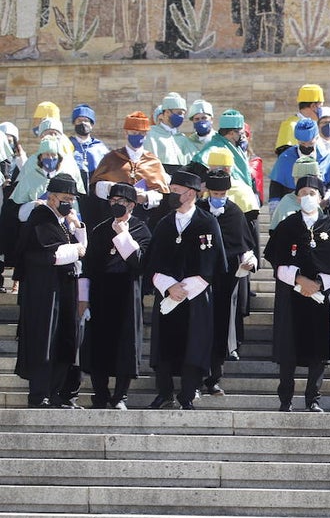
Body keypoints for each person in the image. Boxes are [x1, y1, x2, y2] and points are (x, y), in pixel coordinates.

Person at [264, 175, 330, 412]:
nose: (307, 198)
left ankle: (313, 399)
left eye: (312, 193)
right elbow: (276, 262)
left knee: (318, 349)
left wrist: (319, 284)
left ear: (321, 198)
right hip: (291, 296)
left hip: (320, 298)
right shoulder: (287, 226)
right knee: (288, 348)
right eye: (302, 193)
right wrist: (300, 280)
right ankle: (285, 399)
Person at [143, 170, 226, 410]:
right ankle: (165, 392)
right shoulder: (164, 223)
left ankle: (188, 393)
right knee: (165, 345)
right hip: (168, 295)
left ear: (190, 193)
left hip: (196, 297)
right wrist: (169, 286)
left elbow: (213, 264)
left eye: (176, 191)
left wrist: (185, 289)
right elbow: (151, 262)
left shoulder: (207, 222)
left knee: (194, 344)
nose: (171, 195)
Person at [14, 173, 85, 408]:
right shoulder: (41, 218)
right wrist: (76, 249)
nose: (69, 203)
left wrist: (77, 228)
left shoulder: (61, 223)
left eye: (72, 199)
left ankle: (55, 392)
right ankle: (40, 394)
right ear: (51, 198)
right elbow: (52, 254)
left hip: (62, 289)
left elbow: (81, 251)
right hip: (43, 291)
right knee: (44, 341)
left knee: (64, 340)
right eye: (65, 198)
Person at [79, 183, 152, 409]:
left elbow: (140, 262)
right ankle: (100, 395)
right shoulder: (100, 229)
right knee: (98, 346)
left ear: (131, 205)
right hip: (101, 293)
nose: (116, 205)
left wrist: (123, 234)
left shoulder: (141, 229)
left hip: (127, 292)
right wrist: (83, 297)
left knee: (125, 346)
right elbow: (88, 265)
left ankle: (120, 396)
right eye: (112, 201)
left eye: (121, 202)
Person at [199, 171, 258, 397]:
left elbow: (244, 244)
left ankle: (214, 377)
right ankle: (194, 377)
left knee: (221, 328)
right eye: (215, 193)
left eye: (223, 193)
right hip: (200, 279)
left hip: (225, 281)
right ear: (207, 192)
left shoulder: (234, 212)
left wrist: (248, 259)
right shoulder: (199, 211)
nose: (219, 197)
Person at [69, 104, 110, 192]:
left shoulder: (100, 147)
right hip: (72, 189)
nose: (83, 123)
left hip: (95, 191)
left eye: (86, 120)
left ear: (91, 124)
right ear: (74, 123)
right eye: (79, 120)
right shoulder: (67, 144)